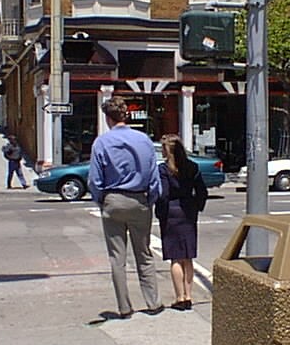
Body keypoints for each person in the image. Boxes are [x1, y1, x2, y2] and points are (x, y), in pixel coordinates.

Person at [88, 96, 164, 319]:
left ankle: (124, 307)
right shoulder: (143, 140)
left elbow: (94, 180)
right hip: (139, 199)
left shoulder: (101, 142)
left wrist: (101, 200)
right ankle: (153, 302)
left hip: (113, 199)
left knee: (117, 257)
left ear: (108, 118)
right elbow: (154, 175)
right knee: (144, 253)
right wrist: (150, 199)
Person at [155, 134, 208, 311]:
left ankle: (180, 297)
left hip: (171, 212)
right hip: (188, 211)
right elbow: (202, 191)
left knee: (175, 258)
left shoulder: (164, 169)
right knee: (187, 256)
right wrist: (197, 206)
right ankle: (189, 295)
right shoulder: (192, 167)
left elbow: (163, 195)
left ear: (166, 151)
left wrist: (160, 212)